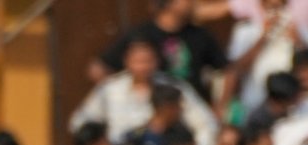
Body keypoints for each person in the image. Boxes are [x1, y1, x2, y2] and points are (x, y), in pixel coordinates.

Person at [70, 37, 217, 145]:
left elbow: (206, 123)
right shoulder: (109, 90)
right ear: (126, 61)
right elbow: (79, 122)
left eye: (148, 61)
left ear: (157, 61)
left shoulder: (173, 88)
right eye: (138, 62)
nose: (143, 67)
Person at [95, 0, 230, 107]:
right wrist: (121, 100)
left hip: (190, 108)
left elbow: (228, 70)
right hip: (152, 110)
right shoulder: (141, 34)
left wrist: (221, 106)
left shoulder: (199, 35)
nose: (192, 2)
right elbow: (99, 69)